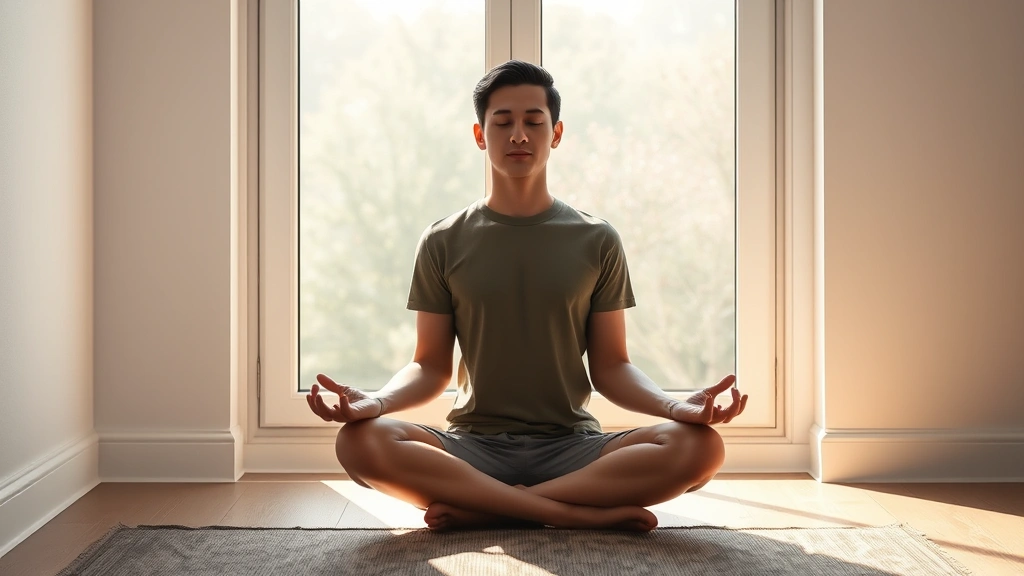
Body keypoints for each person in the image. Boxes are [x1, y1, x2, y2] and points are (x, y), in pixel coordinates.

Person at [306, 60, 748, 532]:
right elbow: (430, 366)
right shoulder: (443, 240)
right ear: (480, 134)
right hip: (472, 448)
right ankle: (564, 513)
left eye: (534, 122)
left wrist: (674, 408)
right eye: (503, 122)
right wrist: (374, 404)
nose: (519, 134)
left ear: (555, 134)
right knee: (357, 443)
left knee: (702, 448)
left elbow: (612, 367)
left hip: (573, 447)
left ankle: (487, 509)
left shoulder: (596, 239)